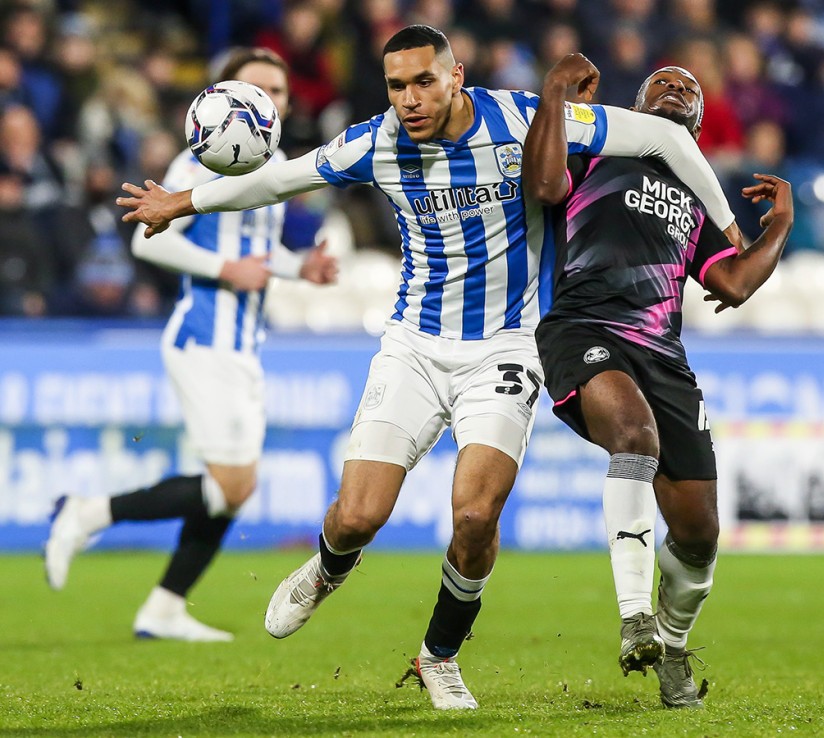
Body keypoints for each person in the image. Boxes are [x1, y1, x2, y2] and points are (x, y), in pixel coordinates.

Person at [115, 25, 741, 708]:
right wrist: (182, 200)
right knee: (357, 518)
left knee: (475, 517)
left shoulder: (520, 117)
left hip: (504, 348)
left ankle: (438, 656)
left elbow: (665, 138)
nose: (408, 100)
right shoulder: (376, 142)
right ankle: (327, 568)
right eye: (395, 86)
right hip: (413, 346)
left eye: (421, 82)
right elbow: (279, 178)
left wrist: (731, 228)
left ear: (456, 77)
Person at [44, 47, 338, 642]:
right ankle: (87, 513)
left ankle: (163, 607)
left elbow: (254, 249)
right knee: (232, 486)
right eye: (255, 89)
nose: (268, 102)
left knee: (232, 491)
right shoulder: (201, 159)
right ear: (224, 97)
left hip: (241, 342)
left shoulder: (272, 163)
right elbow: (149, 244)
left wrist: (296, 268)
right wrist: (228, 269)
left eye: (277, 93)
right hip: (205, 336)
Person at [524, 65, 793, 708]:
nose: (675, 88)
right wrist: (556, 100)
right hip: (584, 328)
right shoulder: (597, 154)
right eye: (661, 84)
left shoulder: (697, 201)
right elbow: (541, 182)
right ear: (635, 106)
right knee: (634, 438)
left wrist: (778, 224)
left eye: (689, 89)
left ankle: (672, 646)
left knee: (699, 535)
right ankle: (634, 617)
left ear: (699, 123)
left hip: (664, 358)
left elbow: (732, 284)